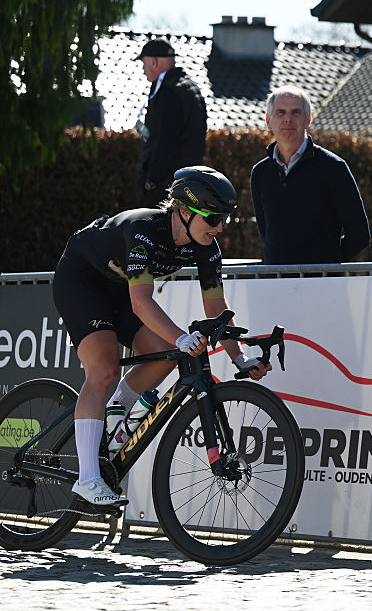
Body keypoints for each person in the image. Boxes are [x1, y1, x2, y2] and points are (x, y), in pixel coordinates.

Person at [52, 166, 270, 507]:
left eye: (224, 220)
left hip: (120, 289)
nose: (219, 228)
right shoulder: (145, 230)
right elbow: (141, 302)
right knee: (106, 367)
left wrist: (239, 357)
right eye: (212, 218)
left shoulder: (206, 247)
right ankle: (88, 479)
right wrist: (183, 337)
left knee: (168, 353)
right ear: (184, 210)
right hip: (82, 280)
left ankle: (112, 413)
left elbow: (217, 310)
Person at [250, 85, 370, 265]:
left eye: (295, 112)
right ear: (268, 121)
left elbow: (360, 235)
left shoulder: (334, 168)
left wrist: (324, 265)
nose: (288, 119)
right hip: (275, 286)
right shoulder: (260, 173)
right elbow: (267, 233)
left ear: (308, 120)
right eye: (281, 112)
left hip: (321, 285)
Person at [135, 38, 208, 207]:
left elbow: (167, 139)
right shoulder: (188, 87)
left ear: (153, 62)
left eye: (143, 63)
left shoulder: (169, 92)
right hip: (187, 178)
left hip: (168, 184)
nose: (143, 69)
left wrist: (152, 179)